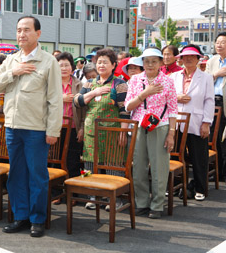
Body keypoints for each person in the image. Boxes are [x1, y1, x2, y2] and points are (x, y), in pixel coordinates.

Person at [0, 16, 62, 238]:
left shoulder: (48, 61)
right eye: (19, 30)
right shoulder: (11, 60)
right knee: (16, 174)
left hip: (36, 129)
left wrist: (52, 131)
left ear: (38, 34)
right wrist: (14, 72)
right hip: (12, 127)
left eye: (27, 30)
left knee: (37, 175)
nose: (22, 34)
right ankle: (20, 216)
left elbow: (55, 99)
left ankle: (37, 219)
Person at [125, 47, 178, 219]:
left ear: (161, 63)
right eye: (146, 61)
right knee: (139, 167)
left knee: (159, 168)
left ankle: (157, 204)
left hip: (160, 126)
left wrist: (171, 133)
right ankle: (141, 202)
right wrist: (144, 93)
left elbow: (172, 110)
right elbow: (128, 106)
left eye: (154, 61)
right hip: (139, 125)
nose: (150, 64)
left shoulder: (167, 82)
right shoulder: (135, 80)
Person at [73, 48, 129, 210]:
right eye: (99, 62)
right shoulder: (89, 83)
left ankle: (115, 198)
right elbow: (78, 102)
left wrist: (123, 132)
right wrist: (94, 92)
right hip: (91, 130)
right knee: (90, 163)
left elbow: (124, 110)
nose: (101, 65)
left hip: (112, 131)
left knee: (114, 163)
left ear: (113, 65)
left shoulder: (120, 84)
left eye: (105, 62)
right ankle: (92, 195)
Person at [171, 45, 214, 201]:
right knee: (174, 155)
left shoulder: (207, 78)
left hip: (196, 121)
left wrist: (206, 123)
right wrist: (177, 97)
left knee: (198, 156)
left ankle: (199, 187)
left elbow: (209, 101)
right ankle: (175, 186)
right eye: (185, 57)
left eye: (192, 57)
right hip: (175, 122)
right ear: (181, 59)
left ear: (198, 59)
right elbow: (166, 97)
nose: (188, 59)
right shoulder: (173, 77)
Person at [56, 52, 85, 179]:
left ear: (72, 67)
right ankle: (56, 193)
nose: (63, 68)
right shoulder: (50, 83)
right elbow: (41, 101)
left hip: (73, 127)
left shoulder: (79, 85)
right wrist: (60, 98)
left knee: (72, 161)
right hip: (54, 128)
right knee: (54, 160)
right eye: (60, 65)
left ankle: (72, 195)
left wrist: (82, 128)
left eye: (66, 65)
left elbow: (85, 109)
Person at [206, 32, 226, 182]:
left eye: (223, 42)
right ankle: (217, 171)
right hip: (213, 102)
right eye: (217, 42)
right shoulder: (211, 61)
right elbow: (205, 81)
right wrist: (217, 74)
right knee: (214, 137)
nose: (219, 45)